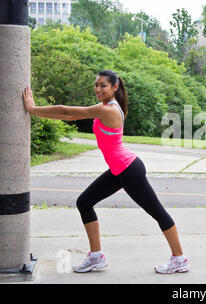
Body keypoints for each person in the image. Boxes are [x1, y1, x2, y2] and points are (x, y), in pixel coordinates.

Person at [22, 69, 189, 274]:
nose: (98, 89)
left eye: (103, 85)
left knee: (157, 213)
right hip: (120, 169)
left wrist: (33, 108)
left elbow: (67, 111)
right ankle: (96, 256)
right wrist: (35, 111)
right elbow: (71, 115)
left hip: (129, 170)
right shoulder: (104, 107)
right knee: (84, 202)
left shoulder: (108, 110)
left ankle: (179, 258)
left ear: (115, 87)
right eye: (96, 84)